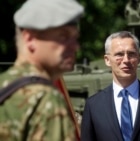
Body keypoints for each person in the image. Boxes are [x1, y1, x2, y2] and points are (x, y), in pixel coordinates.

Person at [0, 0, 84, 140]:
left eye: (75, 38)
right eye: (63, 37)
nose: (75, 46)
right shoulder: (46, 100)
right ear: (30, 39)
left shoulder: (4, 84)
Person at [81, 31, 140, 141]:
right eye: (119, 54)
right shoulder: (94, 105)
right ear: (107, 60)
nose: (126, 60)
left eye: (131, 54)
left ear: (139, 58)